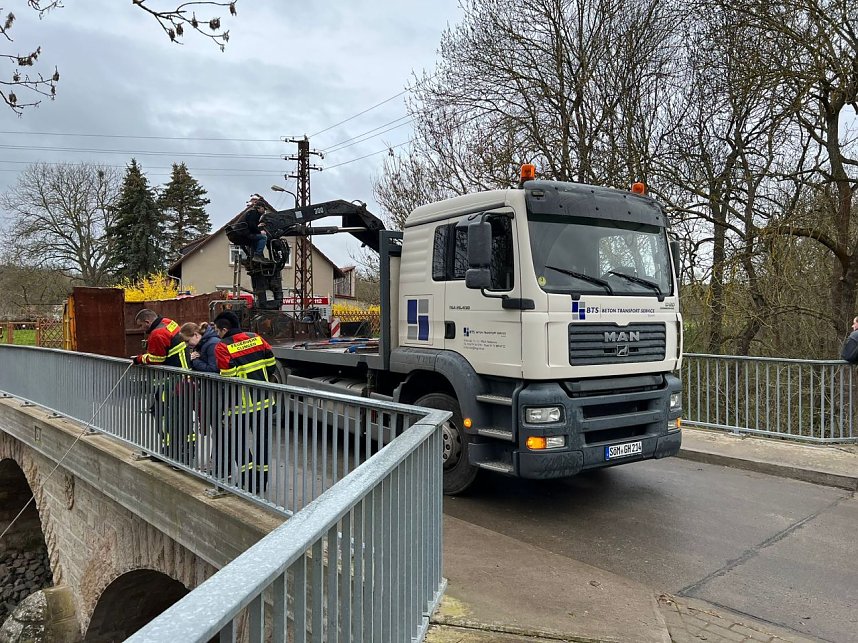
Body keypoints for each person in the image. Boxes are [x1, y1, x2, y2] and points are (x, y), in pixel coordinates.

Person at [213, 311, 277, 492]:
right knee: (262, 443)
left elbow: (227, 377)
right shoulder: (256, 338)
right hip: (264, 401)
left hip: (239, 405)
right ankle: (260, 483)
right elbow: (271, 364)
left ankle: (247, 481)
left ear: (225, 329)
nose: (217, 334)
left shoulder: (222, 346)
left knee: (238, 443)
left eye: (218, 331)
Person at [132, 309, 194, 464]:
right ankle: (183, 449)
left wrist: (139, 359)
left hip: (173, 380)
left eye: (141, 326)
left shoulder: (157, 334)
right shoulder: (168, 323)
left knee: (167, 415)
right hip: (184, 376)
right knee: (178, 414)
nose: (142, 330)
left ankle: (173, 452)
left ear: (147, 322)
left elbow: (156, 358)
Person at [244, 197, 268, 263]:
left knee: (256, 240)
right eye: (263, 209)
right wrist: (260, 231)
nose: (264, 211)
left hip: (247, 233)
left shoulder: (252, 212)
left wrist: (258, 226)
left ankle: (254, 257)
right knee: (263, 237)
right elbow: (251, 226)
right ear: (260, 207)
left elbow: (251, 224)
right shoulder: (254, 213)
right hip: (248, 234)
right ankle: (257, 255)